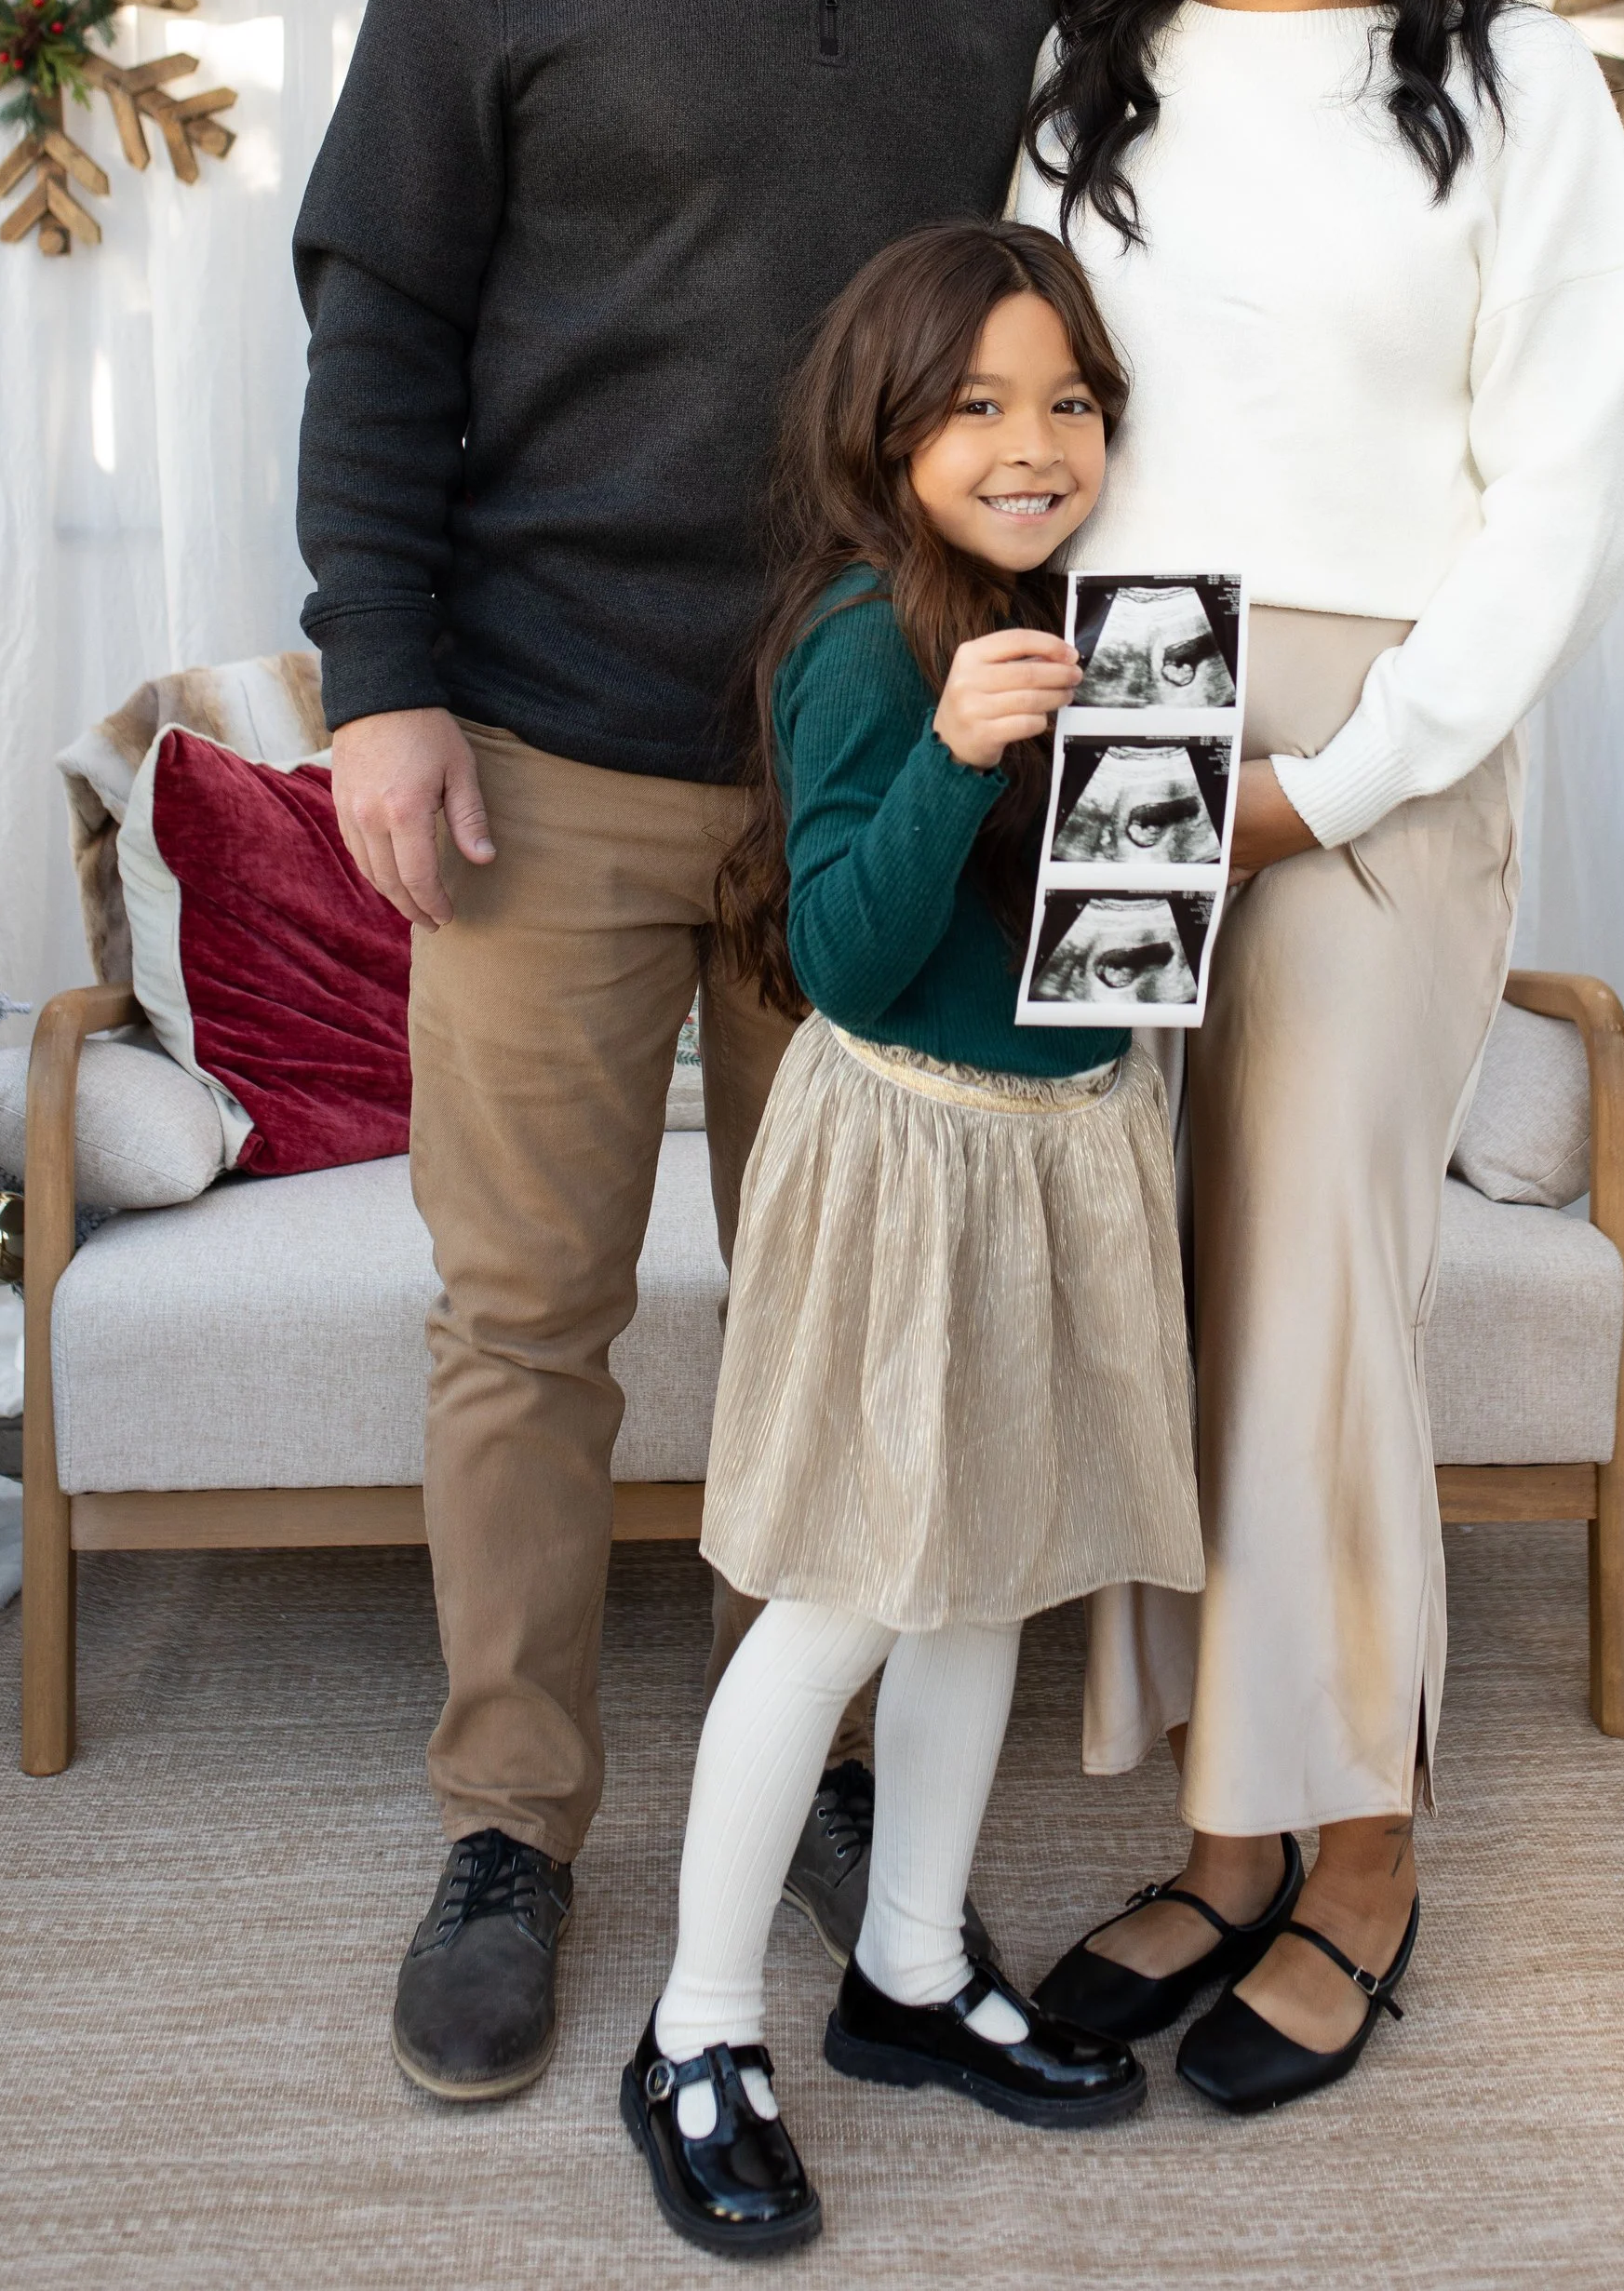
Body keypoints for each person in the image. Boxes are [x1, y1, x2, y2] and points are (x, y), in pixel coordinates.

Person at [293, 0, 1055, 2107]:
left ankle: (799, 1759)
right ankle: (510, 1813)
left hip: (869, 758)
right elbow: (378, 321)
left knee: (838, 1306)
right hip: (542, 747)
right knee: (527, 1312)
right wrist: (375, 678)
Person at [1016, 0, 1624, 2114]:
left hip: (1381, 724)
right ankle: (1216, 1816)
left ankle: (1359, 1843)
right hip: (1122, 695)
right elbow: (1023, 417)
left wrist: (1349, 770)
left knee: (1307, 1292)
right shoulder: (1090, 88)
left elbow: (1560, 498)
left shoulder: (1510, 85)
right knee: (1139, 1284)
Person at [622, 219, 1204, 2258]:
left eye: (1069, 402)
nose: (1032, 441)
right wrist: (960, 753)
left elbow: (1105, 944)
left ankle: (901, 1969)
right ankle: (694, 2030)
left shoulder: (1107, 627)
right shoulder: (866, 643)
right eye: (974, 407)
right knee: (852, 1592)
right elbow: (853, 968)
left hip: (1064, 1147)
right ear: (886, 434)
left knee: (992, 1574)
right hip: (912, 1161)